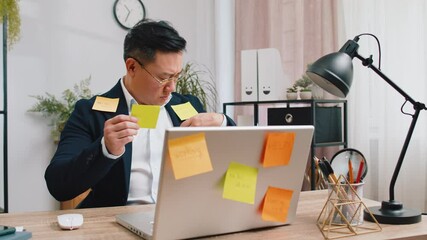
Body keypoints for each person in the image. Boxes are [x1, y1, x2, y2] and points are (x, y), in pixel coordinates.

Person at [45, 19, 236, 208]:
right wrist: (105, 148)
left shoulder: (188, 106)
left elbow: (233, 161)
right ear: (132, 67)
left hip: (180, 216)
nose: (171, 87)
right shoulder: (91, 112)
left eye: (177, 76)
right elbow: (59, 186)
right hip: (115, 224)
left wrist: (223, 122)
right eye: (163, 78)